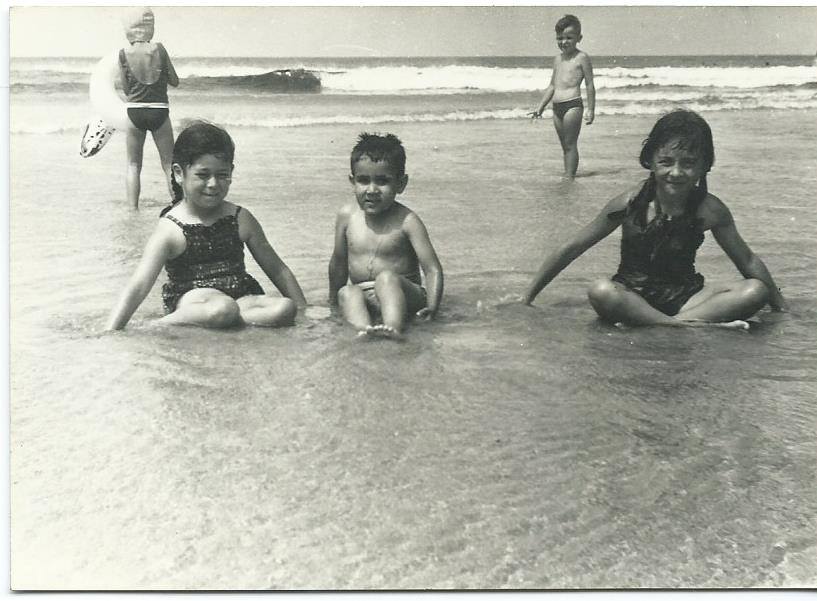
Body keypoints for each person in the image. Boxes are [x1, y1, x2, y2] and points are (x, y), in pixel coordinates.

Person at [522, 109, 787, 328]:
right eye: (666, 161)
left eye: (688, 163)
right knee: (601, 291)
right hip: (631, 296)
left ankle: (671, 323)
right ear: (650, 160)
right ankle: (686, 325)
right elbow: (574, 246)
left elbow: (748, 260)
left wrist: (780, 308)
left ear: (705, 165)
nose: (676, 172)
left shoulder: (710, 209)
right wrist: (526, 298)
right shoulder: (629, 203)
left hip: (688, 298)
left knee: (755, 291)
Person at [106, 121, 307, 330]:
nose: (213, 184)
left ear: (231, 172)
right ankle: (158, 325)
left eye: (222, 175)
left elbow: (278, 269)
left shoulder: (240, 217)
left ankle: (229, 322)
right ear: (178, 173)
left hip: (241, 297)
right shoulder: (171, 228)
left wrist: (303, 310)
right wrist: (112, 328)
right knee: (222, 309)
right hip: (195, 301)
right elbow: (139, 284)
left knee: (285, 308)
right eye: (203, 175)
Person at [328, 133, 443, 339]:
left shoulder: (407, 221)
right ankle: (363, 330)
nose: (372, 190)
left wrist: (433, 308)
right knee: (347, 292)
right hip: (364, 294)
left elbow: (432, 268)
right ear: (352, 181)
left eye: (382, 181)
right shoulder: (346, 216)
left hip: (404, 294)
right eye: (363, 180)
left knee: (386, 278)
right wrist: (332, 302)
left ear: (401, 184)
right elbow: (338, 263)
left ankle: (393, 327)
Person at [119, 7, 179, 208]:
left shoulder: (123, 54)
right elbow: (175, 81)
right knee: (169, 164)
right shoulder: (160, 49)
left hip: (135, 111)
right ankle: (178, 205)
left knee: (133, 165)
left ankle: (132, 211)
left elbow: (127, 89)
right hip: (159, 110)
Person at [528, 14, 595, 179]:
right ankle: (568, 174)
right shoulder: (557, 59)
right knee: (564, 145)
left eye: (568, 37)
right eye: (560, 38)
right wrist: (540, 107)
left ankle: (569, 177)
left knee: (571, 144)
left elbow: (589, 84)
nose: (564, 41)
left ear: (579, 38)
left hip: (572, 105)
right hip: (556, 107)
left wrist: (591, 109)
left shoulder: (582, 58)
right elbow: (552, 85)